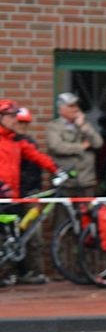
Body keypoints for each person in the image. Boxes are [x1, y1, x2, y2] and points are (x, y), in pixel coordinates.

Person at [0, 99, 59, 286]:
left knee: (12, 236)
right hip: (2, 193)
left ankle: (9, 272)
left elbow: (36, 156)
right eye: (10, 116)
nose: (14, 120)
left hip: (13, 196)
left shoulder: (17, 140)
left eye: (15, 116)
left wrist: (56, 170)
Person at [44, 92, 103, 199]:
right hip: (66, 181)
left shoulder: (84, 124)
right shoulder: (54, 126)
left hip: (86, 180)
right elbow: (57, 147)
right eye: (71, 106)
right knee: (63, 214)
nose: (76, 109)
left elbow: (98, 143)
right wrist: (81, 147)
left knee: (87, 214)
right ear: (61, 108)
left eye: (76, 105)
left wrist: (84, 127)